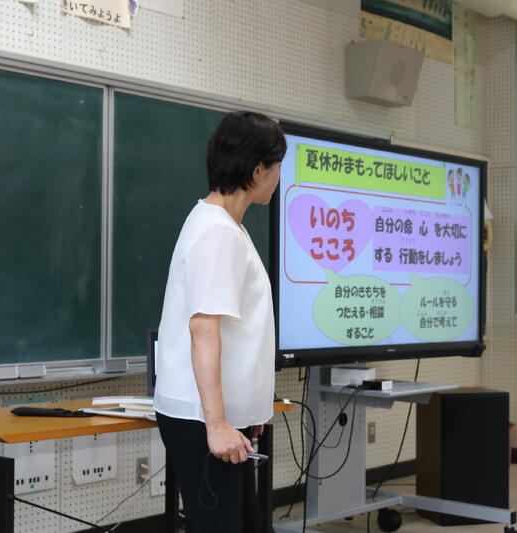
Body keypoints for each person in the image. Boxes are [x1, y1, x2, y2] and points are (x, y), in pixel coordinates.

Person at [153, 111, 286, 533]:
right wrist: (217, 424)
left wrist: (247, 407)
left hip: (217, 417)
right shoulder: (217, 231)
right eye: (277, 166)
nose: (279, 176)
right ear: (258, 170)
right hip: (201, 420)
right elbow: (204, 329)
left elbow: (235, 327)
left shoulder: (227, 226)